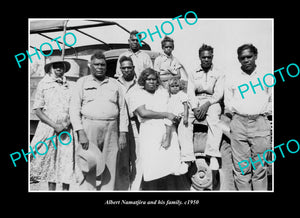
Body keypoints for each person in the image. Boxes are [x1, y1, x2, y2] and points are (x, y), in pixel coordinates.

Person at [70, 51, 128, 190]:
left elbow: (123, 110)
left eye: (103, 65)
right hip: (89, 125)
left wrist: (123, 133)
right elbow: (74, 109)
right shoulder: (82, 82)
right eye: (97, 64)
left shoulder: (115, 84)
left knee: (110, 163)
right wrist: (80, 132)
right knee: (89, 163)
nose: (100, 67)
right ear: (91, 66)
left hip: (111, 127)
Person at [128, 68, 190, 190]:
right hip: (149, 132)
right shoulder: (137, 93)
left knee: (169, 166)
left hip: (167, 130)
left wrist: (168, 132)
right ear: (143, 81)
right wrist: (166, 114)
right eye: (148, 79)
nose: (151, 82)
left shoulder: (163, 93)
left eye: (154, 79)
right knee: (152, 167)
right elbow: (143, 113)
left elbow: (173, 109)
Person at [224, 44, 272, 190]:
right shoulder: (232, 77)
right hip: (239, 123)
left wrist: (265, 115)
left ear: (255, 56)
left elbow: (271, 99)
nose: (246, 60)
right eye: (242, 58)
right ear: (239, 59)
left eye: (249, 57)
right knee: (241, 169)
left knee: (260, 169)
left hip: (260, 123)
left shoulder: (266, 76)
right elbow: (228, 100)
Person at [30, 57, 80, 191]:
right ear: (50, 68)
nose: (59, 68)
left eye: (61, 66)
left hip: (66, 130)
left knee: (66, 163)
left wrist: (66, 123)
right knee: (50, 164)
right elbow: (37, 110)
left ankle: (65, 190)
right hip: (48, 128)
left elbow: (75, 108)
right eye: (56, 66)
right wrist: (54, 125)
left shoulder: (70, 85)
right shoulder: (43, 84)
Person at [185, 44, 225, 170]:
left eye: (209, 57)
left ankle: (213, 155)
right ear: (199, 57)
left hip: (212, 101)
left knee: (214, 120)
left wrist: (206, 105)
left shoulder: (219, 73)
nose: (206, 60)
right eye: (204, 57)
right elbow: (190, 92)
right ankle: (186, 157)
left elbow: (219, 93)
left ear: (212, 57)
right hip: (196, 99)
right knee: (184, 122)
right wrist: (194, 108)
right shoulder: (193, 72)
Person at [116, 56, 142, 190]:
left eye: (129, 67)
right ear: (120, 69)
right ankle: (124, 188)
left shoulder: (140, 85)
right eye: (124, 68)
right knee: (122, 159)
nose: (126, 70)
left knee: (137, 158)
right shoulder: (115, 84)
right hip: (120, 126)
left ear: (133, 68)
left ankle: (135, 189)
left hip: (136, 124)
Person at [163, 77, 191, 169]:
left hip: (181, 115)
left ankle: (167, 139)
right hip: (173, 116)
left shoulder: (181, 94)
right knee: (166, 122)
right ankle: (168, 139)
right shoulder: (169, 96)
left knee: (182, 132)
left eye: (177, 86)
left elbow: (185, 106)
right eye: (172, 86)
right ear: (169, 87)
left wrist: (186, 116)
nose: (175, 88)